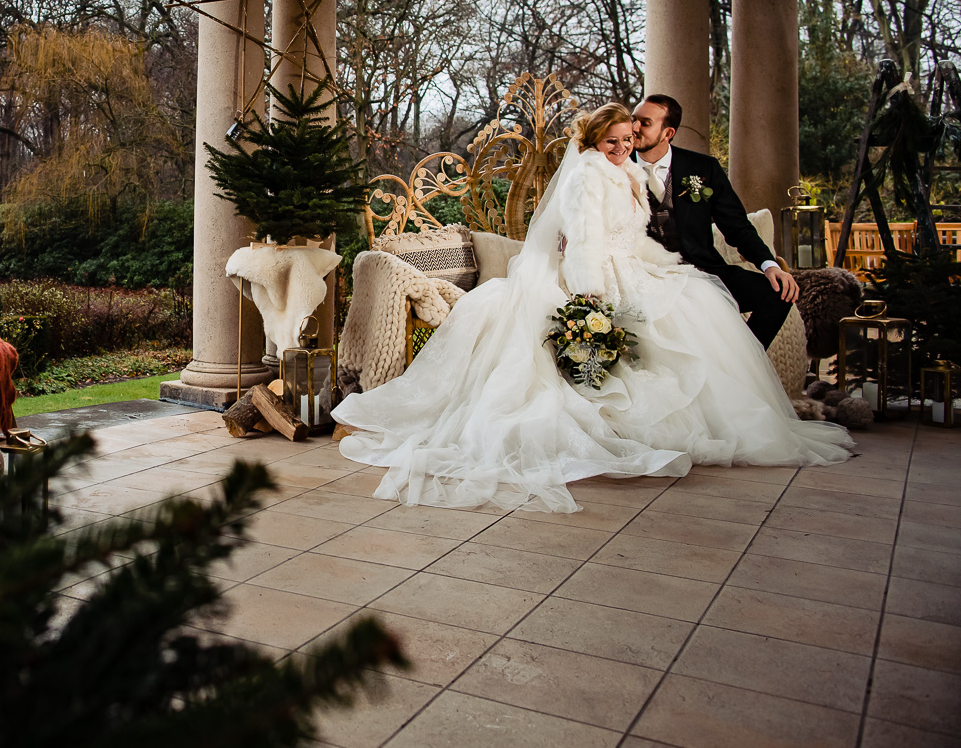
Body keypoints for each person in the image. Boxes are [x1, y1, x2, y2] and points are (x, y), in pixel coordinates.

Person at [330, 103, 852, 513]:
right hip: (598, 275)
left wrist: (663, 261)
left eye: (631, 138)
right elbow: (584, 243)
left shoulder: (629, 172)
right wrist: (590, 293)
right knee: (650, 328)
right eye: (615, 140)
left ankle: (714, 413)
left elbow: (637, 236)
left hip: (636, 264)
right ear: (593, 141)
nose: (625, 147)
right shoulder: (587, 177)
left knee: (693, 304)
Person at [630, 94, 795, 347]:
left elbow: (736, 225)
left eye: (645, 122)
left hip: (702, 271)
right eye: (633, 120)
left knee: (777, 295)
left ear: (667, 133)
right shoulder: (617, 165)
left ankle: (742, 358)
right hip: (646, 275)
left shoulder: (703, 168)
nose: (634, 128)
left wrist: (769, 264)